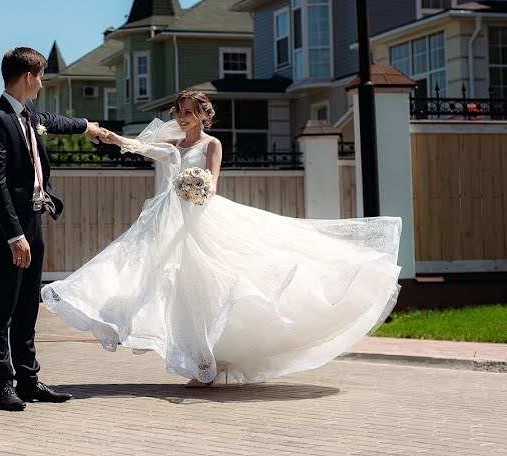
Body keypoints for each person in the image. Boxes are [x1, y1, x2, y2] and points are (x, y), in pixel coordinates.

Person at [41, 90, 402, 386]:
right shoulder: (171, 144)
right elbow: (141, 147)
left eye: (188, 112)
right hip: (169, 222)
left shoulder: (212, 144)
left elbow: (211, 182)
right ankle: (200, 362)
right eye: (179, 111)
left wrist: (195, 187)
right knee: (173, 287)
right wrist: (108, 136)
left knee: (212, 288)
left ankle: (208, 361)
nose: (182, 117)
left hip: (201, 220)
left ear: (202, 114)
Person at [0, 47, 104, 411]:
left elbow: (54, 120)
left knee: (29, 302)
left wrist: (87, 127)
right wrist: (14, 234)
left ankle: (29, 380)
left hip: (33, 218)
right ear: (29, 76)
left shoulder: (28, 113)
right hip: (8, 225)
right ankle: (3, 386)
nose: (43, 82)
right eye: (42, 76)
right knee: (4, 304)